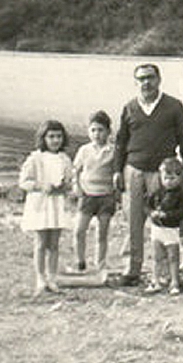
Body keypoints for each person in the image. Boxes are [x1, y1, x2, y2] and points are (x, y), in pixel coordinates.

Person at [111, 63, 183, 287]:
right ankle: (132, 269)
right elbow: (120, 142)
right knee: (134, 220)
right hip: (134, 169)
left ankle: (165, 272)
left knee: (163, 222)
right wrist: (117, 170)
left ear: (159, 79)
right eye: (141, 79)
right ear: (135, 82)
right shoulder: (129, 108)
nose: (146, 83)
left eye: (150, 78)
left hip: (162, 172)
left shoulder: (174, 106)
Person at [19, 120, 72, 296]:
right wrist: (41, 185)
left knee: (54, 244)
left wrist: (63, 186)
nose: (55, 140)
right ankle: (40, 278)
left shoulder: (64, 159)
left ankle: (52, 278)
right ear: (43, 138)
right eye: (51, 136)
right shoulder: (36, 158)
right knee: (41, 243)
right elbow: (24, 182)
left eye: (58, 136)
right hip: (40, 204)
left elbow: (70, 183)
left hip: (56, 204)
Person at [68, 110, 117, 276]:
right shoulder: (84, 150)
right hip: (87, 195)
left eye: (101, 130)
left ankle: (101, 263)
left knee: (102, 233)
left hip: (106, 196)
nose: (96, 134)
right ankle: (80, 261)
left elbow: (117, 172)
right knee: (79, 230)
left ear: (109, 131)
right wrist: (77, 187)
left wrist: (116, 194)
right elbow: (76, 170)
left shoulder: (113, 150)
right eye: (93, 130)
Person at [145, 157, 183, 294]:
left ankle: (174, 281)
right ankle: (156, 280)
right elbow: (147, 205)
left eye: (173, 178)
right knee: (157, 256)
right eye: (166, 178)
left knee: (173, 256)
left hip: (171, 229)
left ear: (180, 178)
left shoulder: (181, 195)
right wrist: (151, 213)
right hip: (157, 229)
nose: (169, 182)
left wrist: (168, 215)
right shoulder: (157, 192)